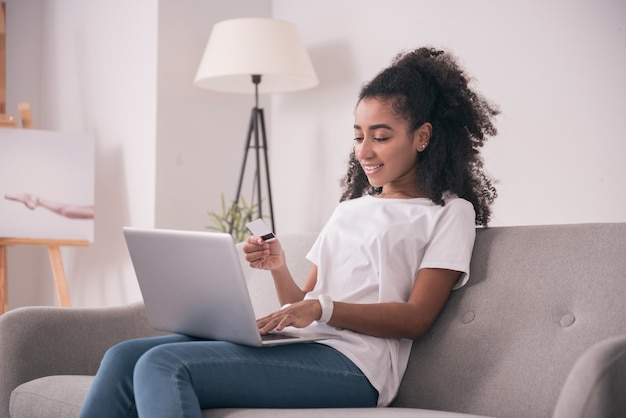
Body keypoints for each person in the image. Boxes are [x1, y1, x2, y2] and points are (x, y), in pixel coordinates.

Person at [78, 46, 498, 418]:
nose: (365, 151)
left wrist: (322, 309)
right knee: (122, 357)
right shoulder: (349, 209)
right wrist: (279, 268)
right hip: (300, 346)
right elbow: (301, 303)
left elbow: (416, 319)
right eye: (358, 136)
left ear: (422, 136)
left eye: (381, 136)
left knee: (163, 365)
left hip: (356, 369)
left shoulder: (448, 213)